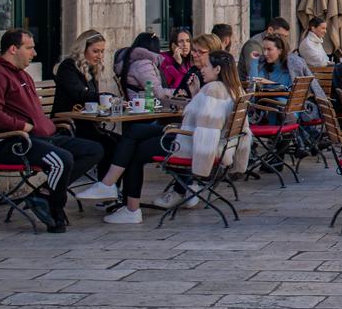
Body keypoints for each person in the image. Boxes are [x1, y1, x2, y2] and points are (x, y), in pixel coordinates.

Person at [0, 29, 104, 232]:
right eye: (29, 48)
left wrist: (47, 127)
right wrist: (22, 126)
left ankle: (43, 195)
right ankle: (55, 210)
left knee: (94, 149)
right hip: (12, 143)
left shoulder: (23, 74)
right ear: (13, 49)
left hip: (41, 138)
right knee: (62, 159)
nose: (34, 53)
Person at [103, 52, 240, 226]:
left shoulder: (213, 90)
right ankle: (111, 187)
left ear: (218, 69)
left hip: (189, 145)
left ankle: (130, 207)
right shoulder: (230, 89)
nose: (201, 69)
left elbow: (207, 130)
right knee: (136, 132)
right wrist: (196, 93)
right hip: (200, 141)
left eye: (206, 66)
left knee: (135, 150)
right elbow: (204, 119)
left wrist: (201, 166)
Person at [53, 31, 129, 202]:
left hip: (86, 124)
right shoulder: (68, 66)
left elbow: (91, 98)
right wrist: (110, 98)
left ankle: (111, 189)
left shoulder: (91, 69)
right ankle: (107, 190)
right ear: (83, 49)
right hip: (68, 126)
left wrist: (108, 102)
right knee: (109, 145)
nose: (100, 55)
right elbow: (80, 94)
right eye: (96, 51)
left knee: (124, 143)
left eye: (102, 51)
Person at [119, 32, 166, 99]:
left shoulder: (134, 61)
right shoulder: (143, 65)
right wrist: (174, 92)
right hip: (144, 105)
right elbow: (158, 93)